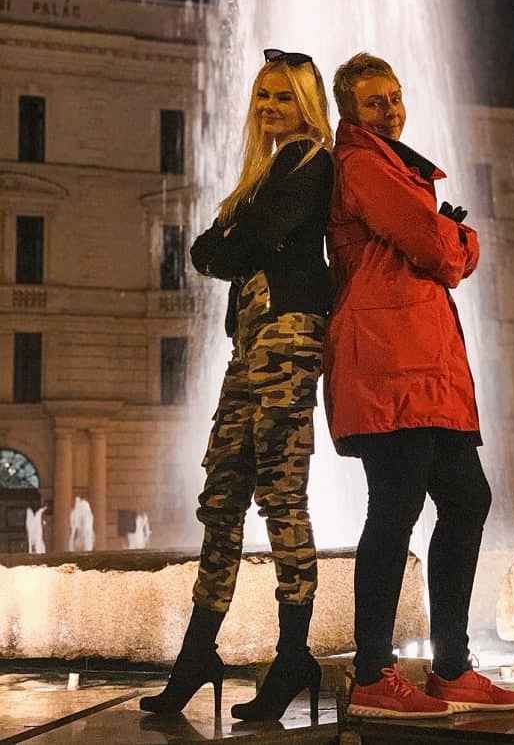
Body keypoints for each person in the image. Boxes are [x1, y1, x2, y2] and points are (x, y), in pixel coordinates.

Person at [324, 53, 514, 718]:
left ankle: (451, 666)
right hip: (389, 363)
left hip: (423, 365)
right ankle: (372, 673)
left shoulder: (389, 165)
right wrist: (462, 237)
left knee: (466, 499)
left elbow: (425, 247)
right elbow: (436, 248)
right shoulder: (361, 163)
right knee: (396, 506)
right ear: (351, 113)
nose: (390, 110)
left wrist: (444, 237)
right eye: (374, 102)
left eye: (395, 97)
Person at [140, 49, 334, 721]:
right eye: (263, 96)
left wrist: (232, 236)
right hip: (250, 343)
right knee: (221, 497)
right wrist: (232, 237)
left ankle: (293, 656)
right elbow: (209, 249)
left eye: (283, 95)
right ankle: (197, 654)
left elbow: (244, 244)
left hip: (289, 336)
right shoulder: (265, 174)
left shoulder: (311, 161)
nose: (269, 106)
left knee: (282, 497)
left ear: (306, 104)